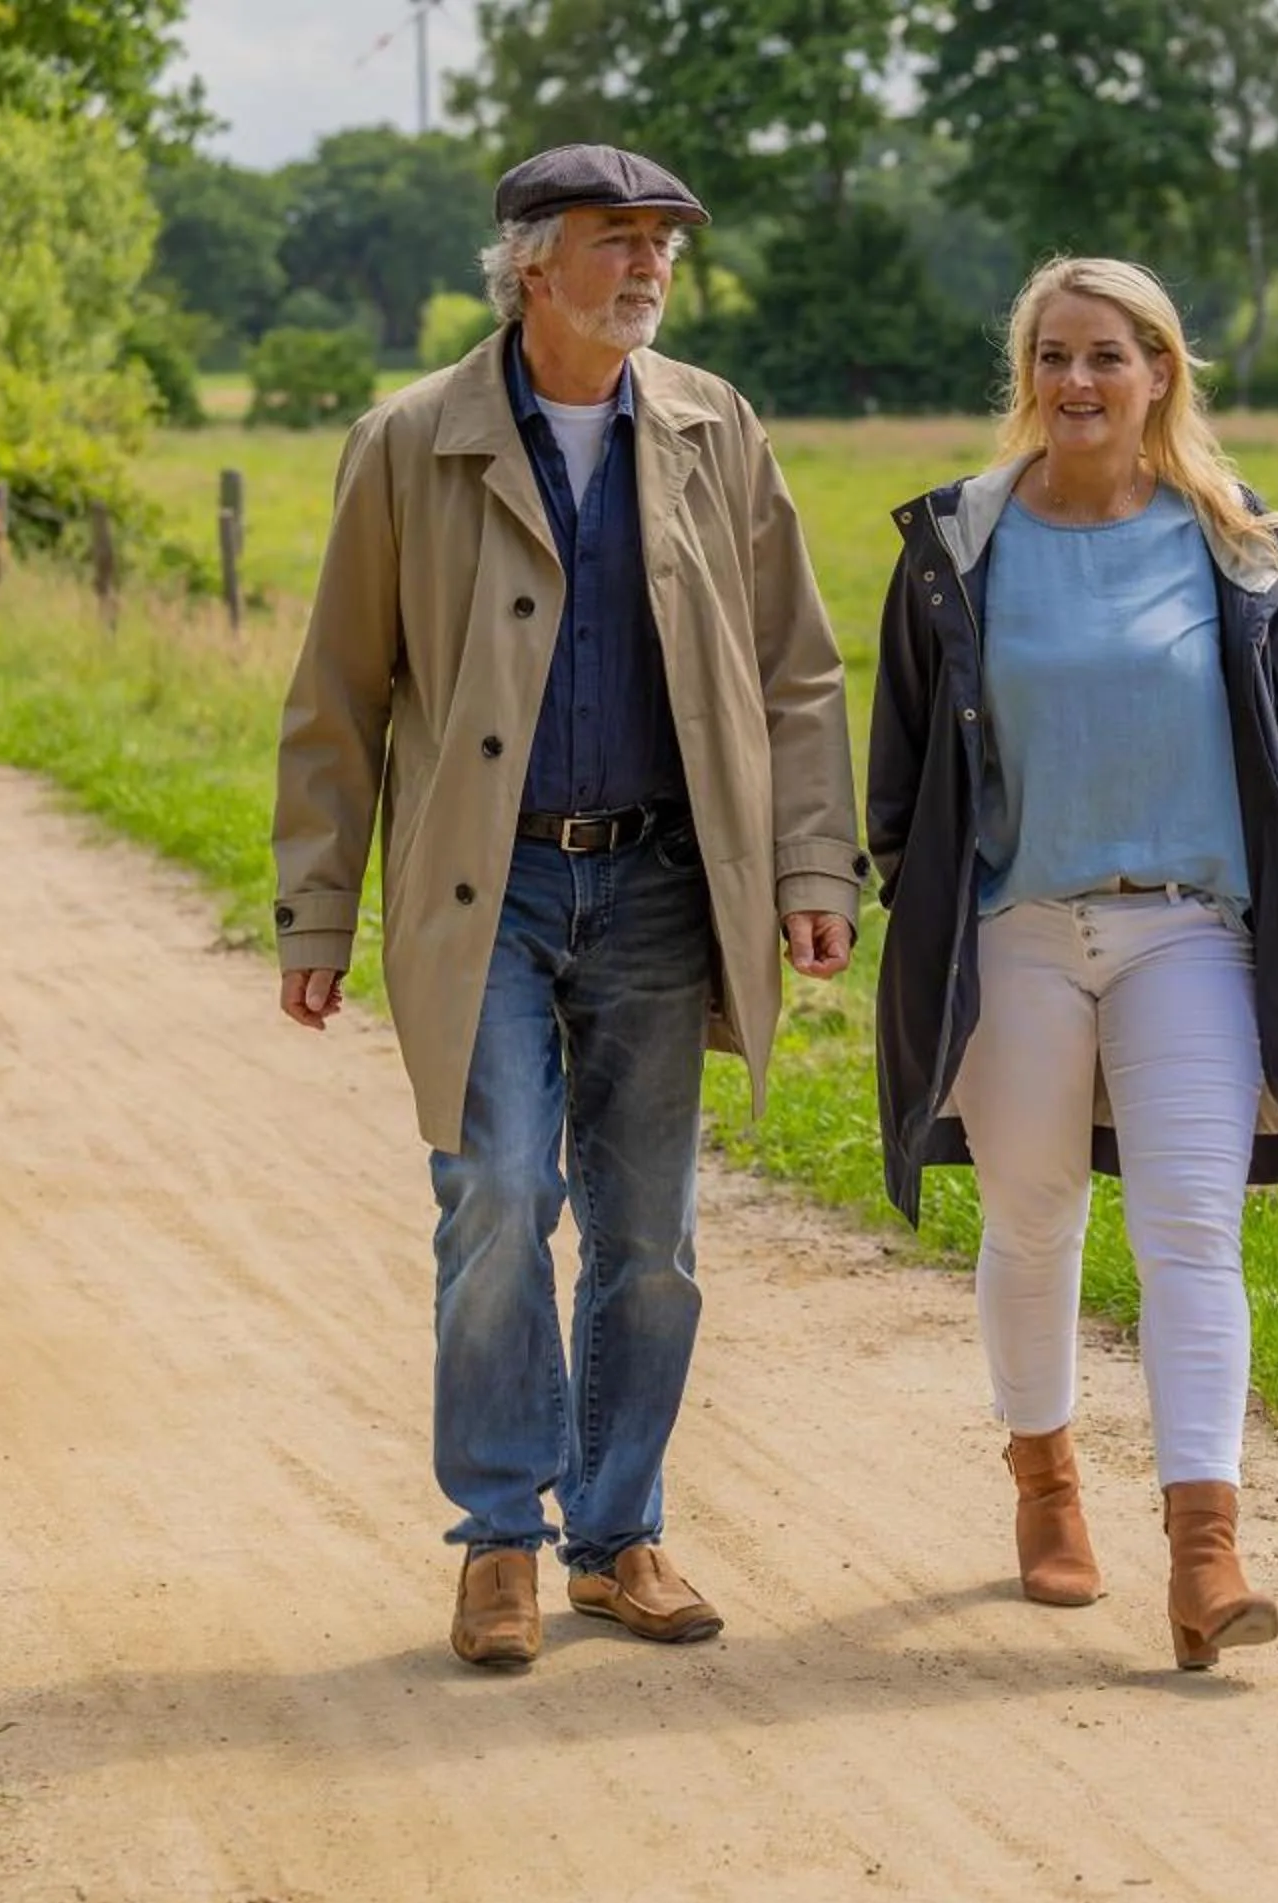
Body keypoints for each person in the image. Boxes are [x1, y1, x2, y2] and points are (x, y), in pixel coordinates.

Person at [272, 144, 863, 1671]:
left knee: (650, 1238)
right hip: (492, 885)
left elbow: (797, 670)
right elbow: (340, 692)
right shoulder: (410, 444)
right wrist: (316, 913)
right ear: (531, 266)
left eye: (663, 240)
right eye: (617, 241)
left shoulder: (714, 427)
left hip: (668, 881)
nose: (650, 265)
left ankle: (618, 1537)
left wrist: (810, 866)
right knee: (495, 1202)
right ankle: (496, 1544)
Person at [866, 256, 1278, 1671]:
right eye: (1054, 357)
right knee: (1032, 1219)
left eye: (1108, 357)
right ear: (1027, 376)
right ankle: (1047, 1486)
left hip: (1189, 929)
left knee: (1192, 1227)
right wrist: (916, 902)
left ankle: (1207, 1555)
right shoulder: (962, 543)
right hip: (1018, 928)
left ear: (1161, 373)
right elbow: (904, 756)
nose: (1077, 384)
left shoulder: (1236, 544)